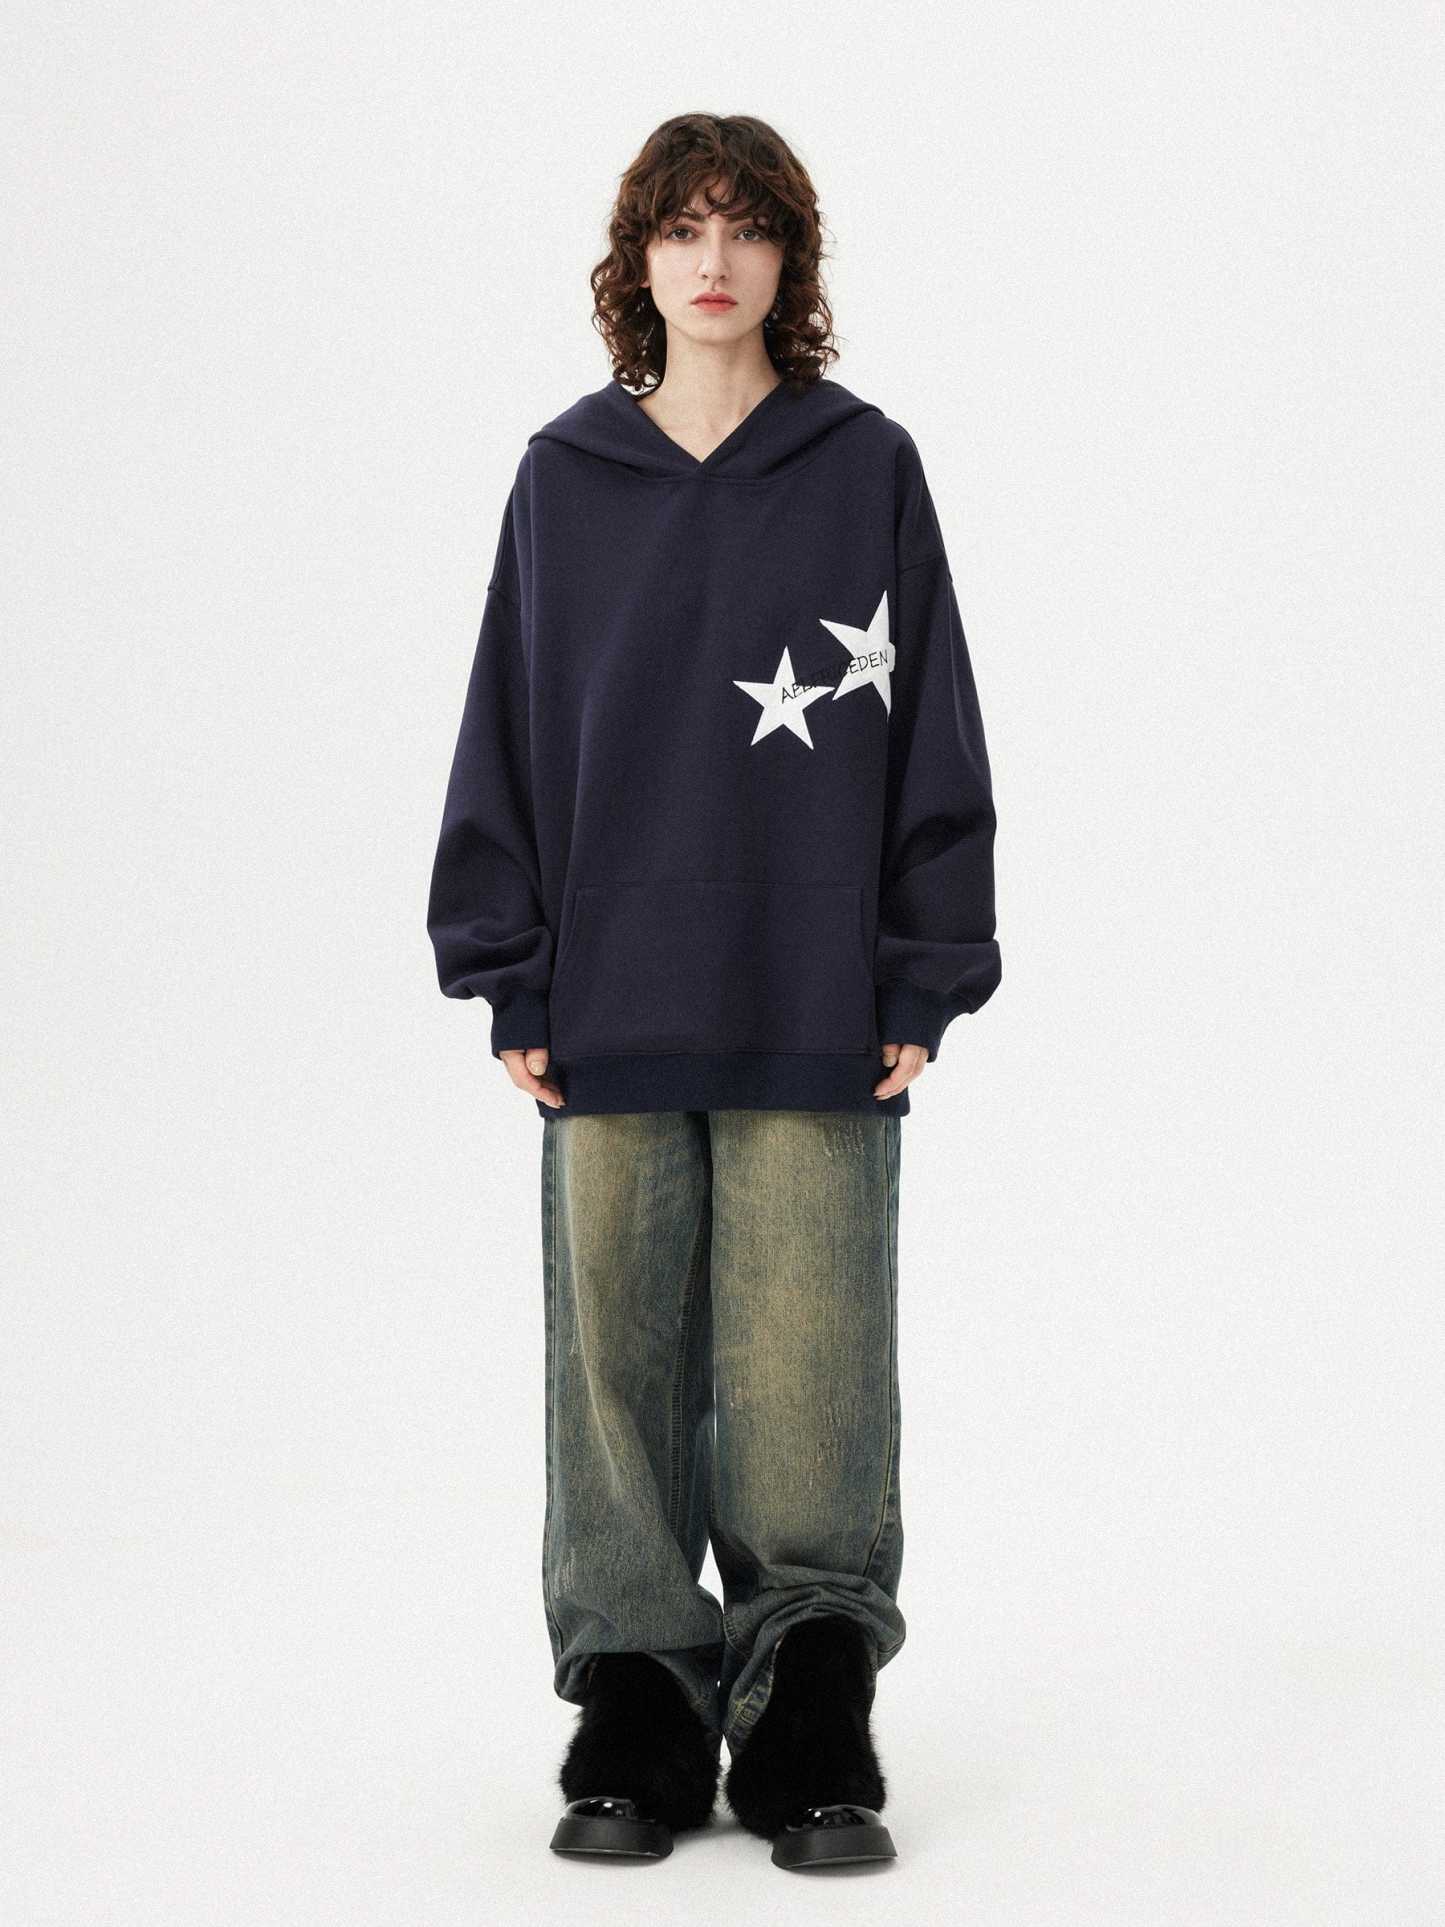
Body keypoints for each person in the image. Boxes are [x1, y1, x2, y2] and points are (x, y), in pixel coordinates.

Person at [426, 112, 1001, 1872]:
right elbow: (506, 722)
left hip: (815, 990)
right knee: (613, 1358)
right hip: (607, 992)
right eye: (681, 227)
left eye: (747, 226)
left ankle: (810, 1693)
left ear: (787, 261)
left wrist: (922, 962)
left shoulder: (862, 466)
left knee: (809, 1361)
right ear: (639, 261)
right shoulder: (565, 476)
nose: (715, 259)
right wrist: (506, 963)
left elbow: (936, 721)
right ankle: (637, 1702)